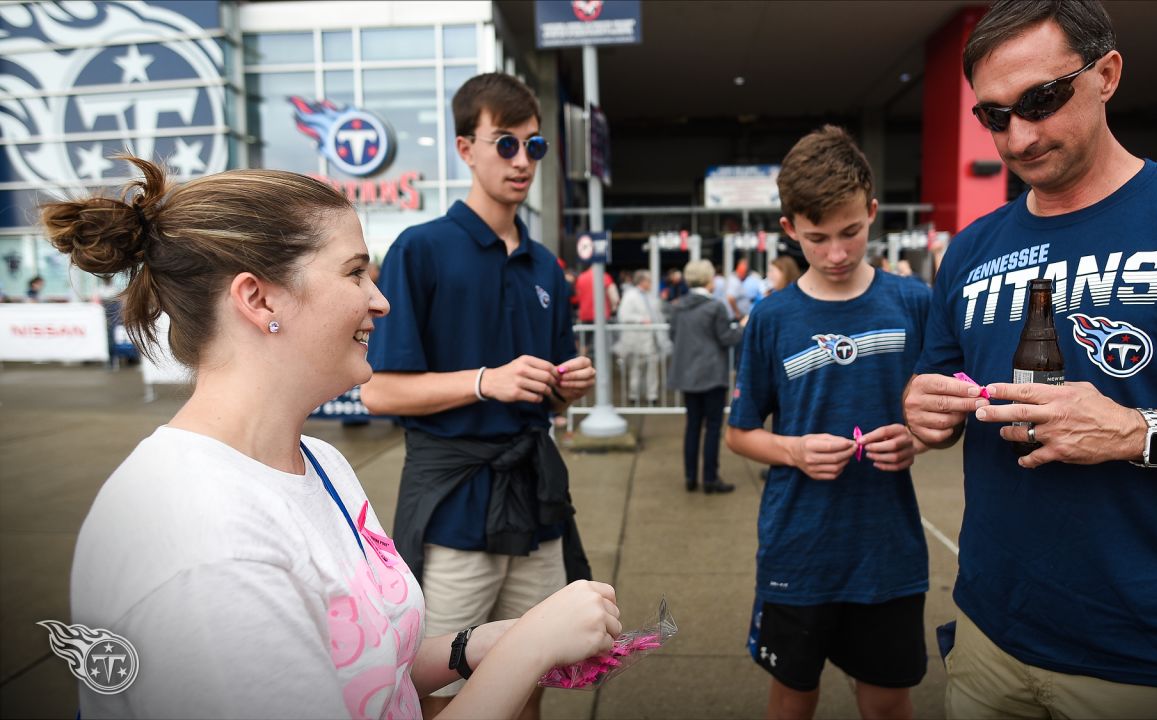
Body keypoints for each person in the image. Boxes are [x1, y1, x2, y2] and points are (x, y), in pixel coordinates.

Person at [51, 157, 621, 719]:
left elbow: (368, 670)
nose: (380, 300)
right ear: (258, 298)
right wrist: (530, 648)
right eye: (354, 272)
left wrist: (471, 646)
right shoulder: (206, 549)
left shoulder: (318, 461)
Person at [902, 2, 1157, 718]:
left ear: (1106, 74)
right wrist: (925, 411)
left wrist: (1137, 432)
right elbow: (942, 390)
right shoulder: (972, 250)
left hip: (1154, 653)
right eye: (994, 115)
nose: (1019, 135)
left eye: (1042, 100)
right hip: (992, 629)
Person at [360, 73, 599, 720]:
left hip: (536, 503)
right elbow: (377, 391)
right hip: (457, 510)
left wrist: (568, 390)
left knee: (531, 673)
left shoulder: (547, 266)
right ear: (466, 149)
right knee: (435, 684)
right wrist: (481, 380)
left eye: (534, 147)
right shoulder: (421, 250)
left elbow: (550, 405)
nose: (522, 161)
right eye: (506, 145)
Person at [725, 126, 930, 720]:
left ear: (871, 212)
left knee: (888, 702)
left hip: (887, 551)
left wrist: (917, 438)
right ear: (789, 229)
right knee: (792, 699)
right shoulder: (771, 317)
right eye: (817, 239)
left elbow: (947, 415)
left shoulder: (913, 303)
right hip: (800, 549)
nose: (837, 253)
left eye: (851, 233)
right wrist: (794, 451)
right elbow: (739, 432)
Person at [668, 259, 742, 494]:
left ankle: (690, 477)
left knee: (692, 426)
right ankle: (709, 478)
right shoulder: (715, 307)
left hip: (688, 375)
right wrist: (742, 326)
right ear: (709, 280)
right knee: (712, 428)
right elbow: (727, 338)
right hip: (711, 374)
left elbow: (673, 335)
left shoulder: (678, 306)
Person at [613, 269, 669, 404]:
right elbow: (623, 315)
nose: (651, 284)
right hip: (637, 339)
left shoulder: (649, 296)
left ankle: (652, 395)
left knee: (652, 368)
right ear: (643, 282)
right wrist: (641, 319)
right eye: (649, 281)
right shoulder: (631, 295)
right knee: (636, 368)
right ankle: (634, 395)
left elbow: (657, 313)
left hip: (651, 339)